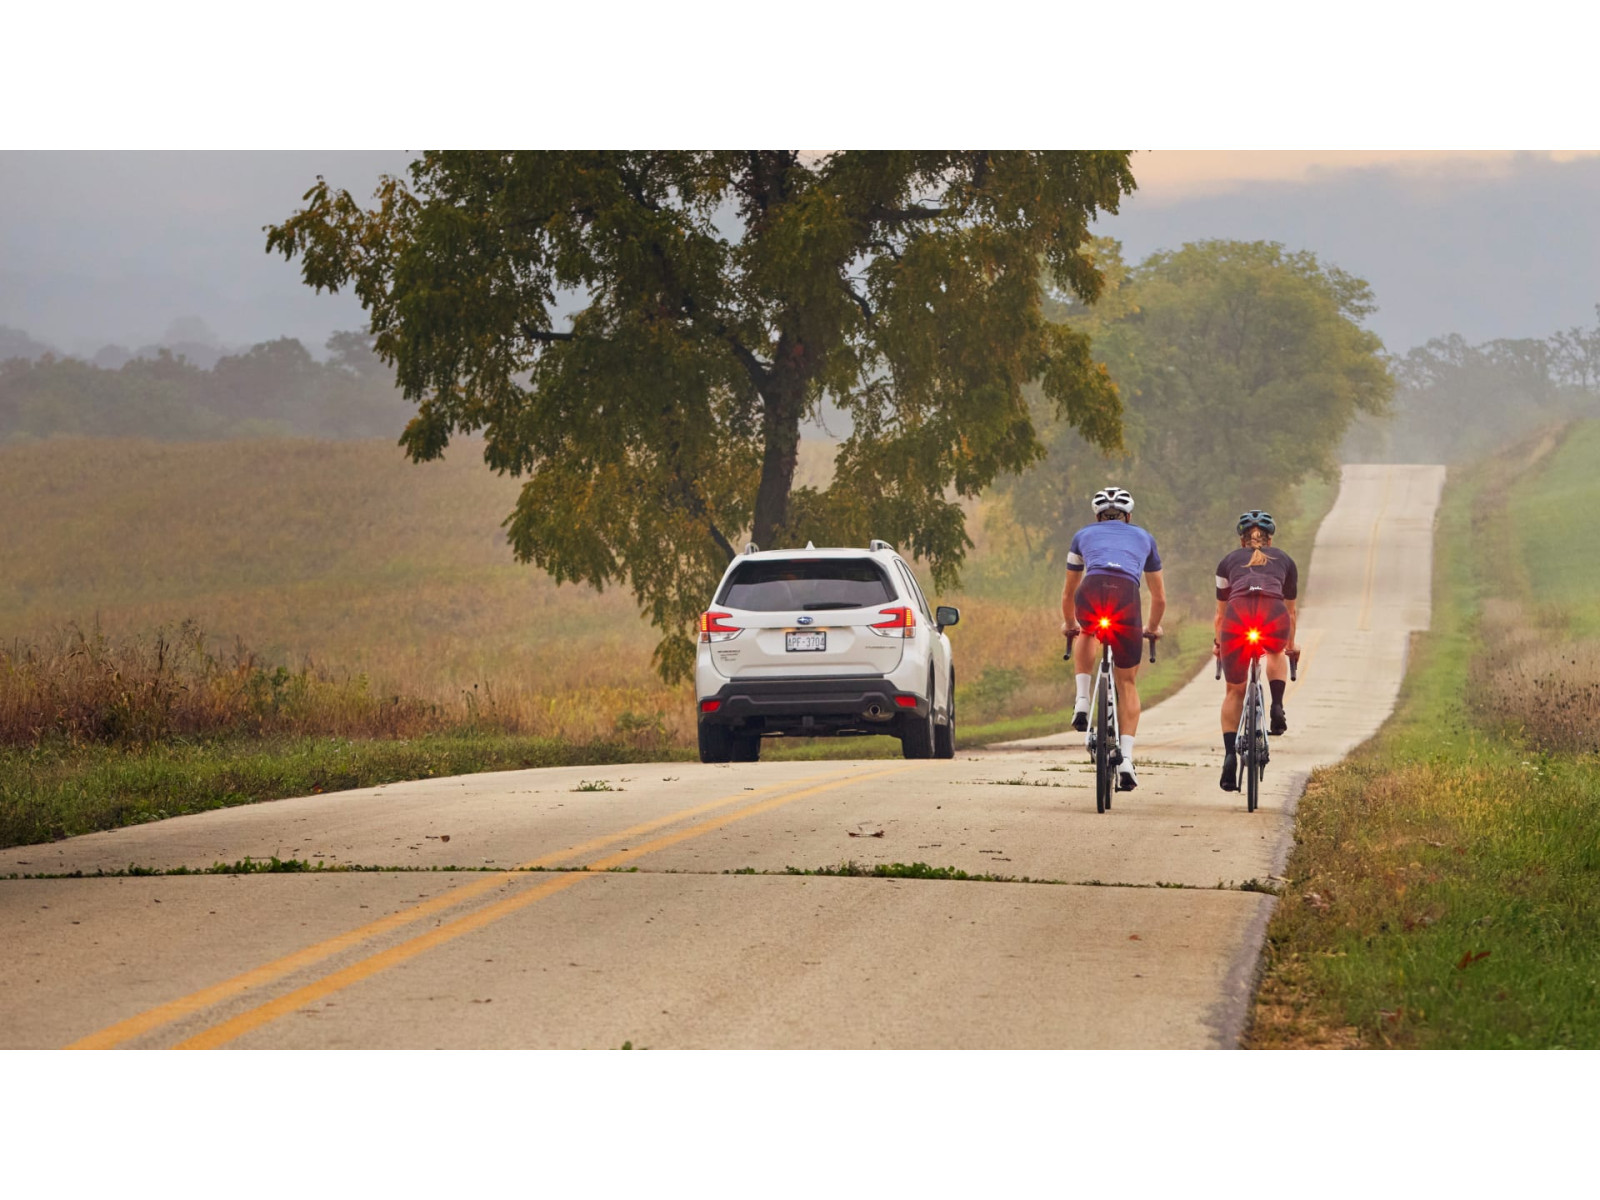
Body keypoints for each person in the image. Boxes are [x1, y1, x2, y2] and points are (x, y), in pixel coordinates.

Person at [1060, 486, 1166, 791]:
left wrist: (1070, 623)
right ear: (1128, 516)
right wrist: (1152, 627)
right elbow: (1159, 597)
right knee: (1127, 683)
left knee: (1087, 630)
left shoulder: (1082, 535)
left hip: (1092, 588)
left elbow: (1068, 593)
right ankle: (1127, 759)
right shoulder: (1145, 538)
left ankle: (1082, 701)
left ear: (1097, 517)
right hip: (1126, 595)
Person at [1214, 509, 1299, 792]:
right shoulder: (1285, 560)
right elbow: (1291, 611)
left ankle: (1229, 755)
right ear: (1270, 539)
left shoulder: (1227, 562)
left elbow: (1220, 614)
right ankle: (1277, 705)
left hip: (1237, 615)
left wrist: (1219, 643)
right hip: (1272, 611)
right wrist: (1291, 645)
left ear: (1242, 541)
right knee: (1275, 652)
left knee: (1234, 691)